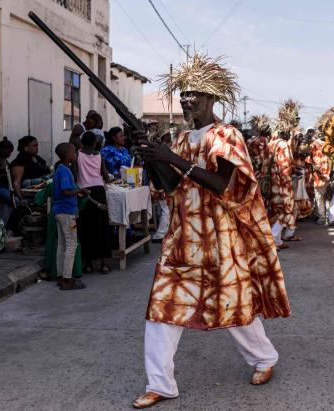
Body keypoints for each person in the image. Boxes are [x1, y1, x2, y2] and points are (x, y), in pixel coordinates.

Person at [132, 53, 291, 409]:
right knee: (163, 308)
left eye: (195, 94)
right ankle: (160, 384)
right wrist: (152, 158)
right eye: (184, 93)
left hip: (222, 238)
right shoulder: (182, 138)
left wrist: (172, 159)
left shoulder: (227, 135)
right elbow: (171, 187)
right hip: (182, 238)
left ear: (213, 97)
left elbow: (221, 184)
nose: (187, 99)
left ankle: (264, 359)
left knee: (235, 307)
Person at [53, 142, 89, 291]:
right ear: (67, 154)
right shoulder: (63, 171)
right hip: (66, 212)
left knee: (62, 244)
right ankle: (67, 279)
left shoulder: (63, 169)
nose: (76, 154)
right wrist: (80, 191)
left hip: (60, 212)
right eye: (74, 151)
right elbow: (66, 191)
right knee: (71, 243)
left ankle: (61, 276)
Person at [75, 131, 112, 273]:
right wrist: (108, 180)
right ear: (95, 143)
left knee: (86, 227)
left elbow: (75, 175)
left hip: (84, 192)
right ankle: (104, 264)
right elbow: (105, 175)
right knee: (102, 227)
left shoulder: (78, 155)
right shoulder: (99, 155)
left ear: (82, 142)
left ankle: (88, 264)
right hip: (99, 191)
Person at [268, 100, 300, 249]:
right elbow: (287, 164)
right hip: (283, 180)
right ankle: (274, 238)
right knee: (286, 209)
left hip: (273, 179)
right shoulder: (283, 144)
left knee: (277, 208)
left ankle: (279, 240)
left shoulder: (271, 143)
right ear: (284, 132)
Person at [10, 135, 52, 202]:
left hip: (42, 183)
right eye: (34, 146)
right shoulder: (20, 161)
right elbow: (16, 183)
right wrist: (21, 199)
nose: (37, 148)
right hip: (31, 185)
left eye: (37, 145)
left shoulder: (36, 158)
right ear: (26, 147)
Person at [148, 125, 172, 243]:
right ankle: (160, 234)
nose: (170, 136)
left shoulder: (161, 148)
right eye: (168, 134)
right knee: (165, 208)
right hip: (161, 182)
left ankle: (163, 232)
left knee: (162, 209)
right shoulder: (162, 149)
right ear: (164, 136)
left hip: (160, 181)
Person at [306, 133, 332, 224]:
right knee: (327, 197)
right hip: (327, 174)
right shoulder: (329, 144)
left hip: (319, 176)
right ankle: (329, 218)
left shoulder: (314, 144)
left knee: (319, 197)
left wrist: (313, 166)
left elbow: (307, 159)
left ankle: (322, 217)